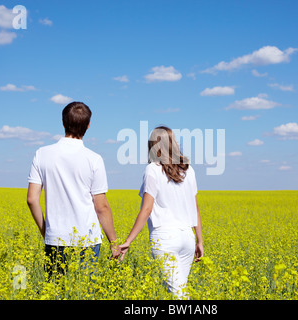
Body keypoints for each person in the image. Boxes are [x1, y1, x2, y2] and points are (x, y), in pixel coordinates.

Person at [26, 101, 119, 279]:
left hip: (55, 237)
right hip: (87, 239)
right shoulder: (94, 159)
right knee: (82, 292)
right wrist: (113, 242)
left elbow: (31, 199)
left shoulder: (41, 154)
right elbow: (101, 206)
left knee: (55, 291)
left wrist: (46, 232)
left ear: (63, 123)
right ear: (88, 125)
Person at [119, 126, 204, 299]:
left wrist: (128, 241)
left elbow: (147, 208)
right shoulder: (188, 169)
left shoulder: (152, 169)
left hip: (165, 237)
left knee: (179, 295)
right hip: (187, 237)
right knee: (177, 292)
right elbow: (195, 208)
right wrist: (199, 240)